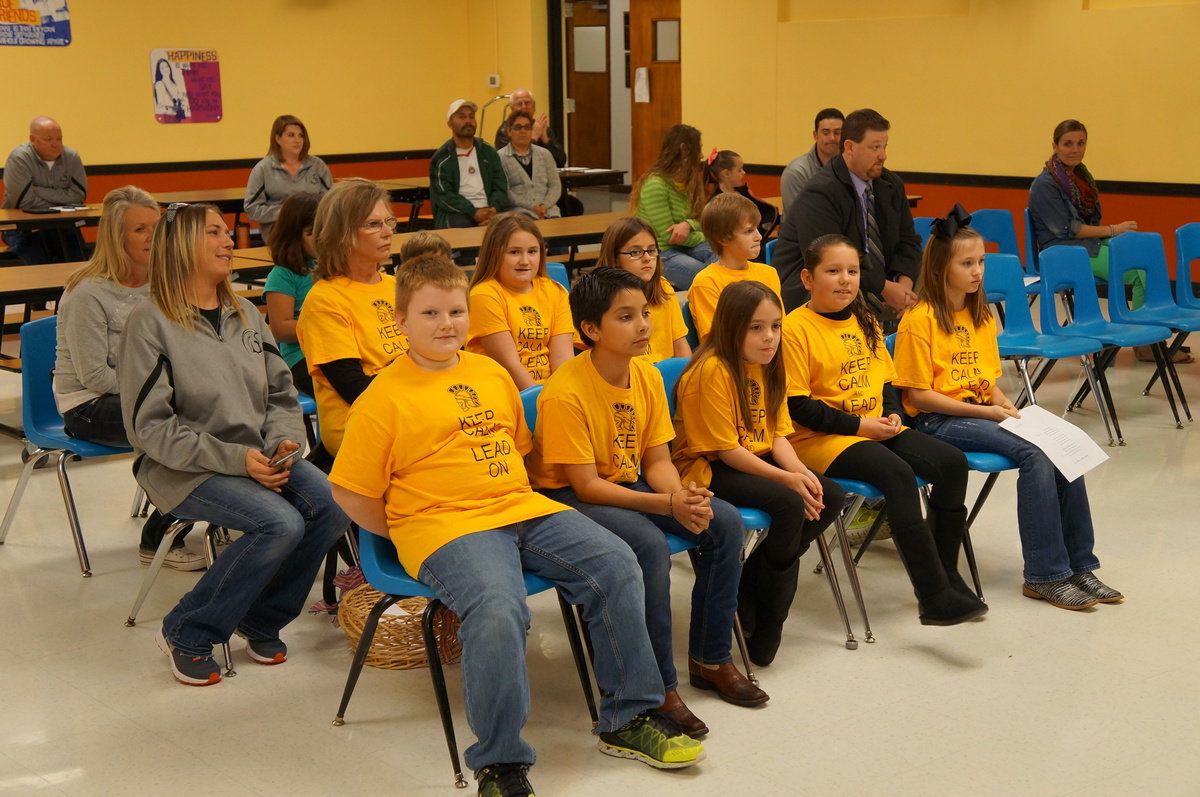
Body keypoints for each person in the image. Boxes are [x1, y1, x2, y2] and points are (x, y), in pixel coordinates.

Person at [329, 255, 704, 795]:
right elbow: (350, 492)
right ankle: (500, 762)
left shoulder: (489, 372)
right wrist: (414, 528)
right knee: (500, 606)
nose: (446, 324)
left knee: (617, 563)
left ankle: (628, 718)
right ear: (401, 320)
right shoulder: (382, 397)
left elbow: (518, 453)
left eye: (456, 311)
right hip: (444, 527)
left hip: (518, 506)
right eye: (430, 313)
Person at [118, 202, 349, 685]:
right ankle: (187, 628)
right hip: (180, 466)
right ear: (181, 246)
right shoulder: (150, 322)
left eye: (228, 232)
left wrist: (282, 441)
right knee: (279, 523)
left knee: (331, 504)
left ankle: (259, 619)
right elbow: (152, 430)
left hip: (254, 455)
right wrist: (238, 460)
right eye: (215, 233)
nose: (229, 242)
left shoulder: (244, 312)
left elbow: (281, 391)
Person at [529, 268, 758, 738]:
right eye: (626, 317)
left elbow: (655, 460)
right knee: (649, 547)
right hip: (568, 496)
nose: (644, 326)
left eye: (645, 314)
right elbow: (587, 487)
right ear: (591, 330)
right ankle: (660, 688)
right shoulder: (565, 392)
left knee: (725, 521)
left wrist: (680, 497)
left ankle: (710, 659)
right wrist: (666, 507)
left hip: (626, 483)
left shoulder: (646, 375)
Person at [894, 207, 1122, 610]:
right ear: (940, 268)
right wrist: (987, 413)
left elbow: (987, 381)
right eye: (966, 263)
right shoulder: (920, 319)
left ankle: (1079, 565)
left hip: (979, 410)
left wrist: (1002, 403)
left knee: (1065, 446)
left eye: (980, 261)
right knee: (1035, 455)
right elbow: (920, 397)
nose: (978, 271)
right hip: (938, 421)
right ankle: (1044, 575)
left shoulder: (979, 315)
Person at [782, 233, 988, 626]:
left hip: (874, 426)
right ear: (808, 279)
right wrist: (860, 425)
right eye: (833, 271)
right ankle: (933, 596)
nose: (845, 280)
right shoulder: (795, 329)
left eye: (852, 271)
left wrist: (892, 415)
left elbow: (885, 383)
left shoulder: (867, 321)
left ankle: (947, 574)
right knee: (896, 474)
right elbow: (798, 406)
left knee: (951, 463)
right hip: (820, 439)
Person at [672, 280, 844, 666]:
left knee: (827, 494)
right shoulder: (712, 370)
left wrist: (801, 472)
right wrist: (786, 480)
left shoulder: (770, 364)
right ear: (732, 327)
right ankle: (770, 622)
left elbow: (778, 434)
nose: (769, 338)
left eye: (776, 326)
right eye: (756, 328)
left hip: (753, 458)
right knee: (787, 503)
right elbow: (726, 450)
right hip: (708, 466)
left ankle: (749, 585)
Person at [54, 187, 204, 571]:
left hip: (148, 396)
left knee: (218, 415)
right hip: (88, 405)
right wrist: (169, 388)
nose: (153, 237)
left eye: (156, 227)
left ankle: (224, 516)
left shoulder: (165, 283)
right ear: (116, 238)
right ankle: (158, 539)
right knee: (185, 429)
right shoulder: (87, 292)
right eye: (140, 229)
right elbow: (97, 376)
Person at [772, 108, 921, 317]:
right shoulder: (821, 192)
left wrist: (904, 287)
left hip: (874, 284)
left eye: (885, 147)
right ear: (850, 147)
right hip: (818, 287)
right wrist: (885, 288)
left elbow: (909, 241)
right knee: (838, 276)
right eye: (875, 147)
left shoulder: (891, 184)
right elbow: (829, 260)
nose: (883, 155)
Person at [295, 179, 407, 457]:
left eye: (388, 221)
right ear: (342, 234)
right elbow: (356, 390)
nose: (388, 231)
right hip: (364, 430)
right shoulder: (324, 301)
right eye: (373, 224)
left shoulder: (399, 286)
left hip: (412, 413)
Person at [466, 212, 573, 389]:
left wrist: (561, 397)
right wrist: (540, 404)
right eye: (514, 252)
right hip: (507, 393)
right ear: (494, 254)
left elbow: (563, 360)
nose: (525, 261)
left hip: (551, 392)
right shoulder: (483, 295)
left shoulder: (555, 291)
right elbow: (510, 365)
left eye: (532, 251)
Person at [592, 216, 690, 363]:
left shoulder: (663, 287)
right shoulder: (597, 296)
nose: (647, 258)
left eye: (651, 250)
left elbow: (681, 347)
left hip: (665, 379)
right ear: (615, 257)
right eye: (635, 252)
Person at [688, 193, 781, 341]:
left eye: (756, 229)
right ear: (723, 238)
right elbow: (715, 341)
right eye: (749, 231)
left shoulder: (768, 273)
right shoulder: (707, 282)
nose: (759, 236)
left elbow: (781, 327)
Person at [631, 124, 711, 289]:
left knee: (727, 256)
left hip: (687, 245)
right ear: (684, 149)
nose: (702, 155)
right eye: (699, 148)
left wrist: (688, 225)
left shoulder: (690, 181)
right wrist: (707, 236)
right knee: (708, 279)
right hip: (661, 253)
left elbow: (701, 218)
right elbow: (669, 237)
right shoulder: (655, 184)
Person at [1, 116, 88, 264]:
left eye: (59, 139)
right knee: (37, 262)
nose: (56, 145)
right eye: (48, 139)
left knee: (80, 261)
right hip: (22, 227)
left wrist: (39, 190)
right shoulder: (19, 158)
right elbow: (25, 203)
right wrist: (62, 201)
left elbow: (79, 196)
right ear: (32, 139)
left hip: (62, 225)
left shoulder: (71, 157)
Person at [264, 192, 320, 397]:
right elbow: (280, 329)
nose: (321, 238)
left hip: (338, 350)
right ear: (294, 235)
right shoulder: (283, 274)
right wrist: (326, 324)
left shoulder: (335, 266)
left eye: (326, 229)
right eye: (312, 232)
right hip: (301, 359)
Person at [244, 115, 333, 242]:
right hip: (279, 231)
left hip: (312, 228)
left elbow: (331, 201)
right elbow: (251, 208)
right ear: (278, 138)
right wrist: (282, 213)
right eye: (291, 135)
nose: (297, 140)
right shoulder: (263, 169)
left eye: (300, 135)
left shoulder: (317, 166)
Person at [430, 99, 509, 228]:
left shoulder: (488, 152)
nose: (468, 121)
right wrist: (473, 212)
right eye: (462, 117)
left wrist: (494, 209)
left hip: (489, 209)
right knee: (462, 228)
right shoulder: (441, 158)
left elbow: (500, 185)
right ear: (450, 123)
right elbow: (444, 196)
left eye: (471, 116)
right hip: (458, 212)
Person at [780, 108, 844, 218]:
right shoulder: (796, 172)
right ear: (815, 135)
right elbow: (799, 218)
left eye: (837, 133)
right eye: (826, 132)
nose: (832, 138)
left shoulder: (852, 168)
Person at [497, 111, 562, 220]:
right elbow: (506, 192)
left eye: (527, 127)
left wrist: (544, 206)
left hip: (549, 210)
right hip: (519, 213)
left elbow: (555, 186)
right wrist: (532, 207)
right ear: (509, 131)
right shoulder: (500, 157)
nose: (523, 131)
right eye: (518, 127)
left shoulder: (545, 154)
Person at [705, 149, 778, 240]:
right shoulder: (717, 204)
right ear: (726, 173)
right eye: (739, 170)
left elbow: (766, 211)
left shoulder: (743, 192)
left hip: (756, 239)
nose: (744, 173)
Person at [493, 88, 567, 167]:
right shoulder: (505, 130)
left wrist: (545, 140)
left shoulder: (542, 127)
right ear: (512, 108)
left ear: (534, 105)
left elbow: (561, 161)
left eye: (527, 102)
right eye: (519, 104)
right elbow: (514, 163)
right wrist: (533, 138)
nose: (524, 107)